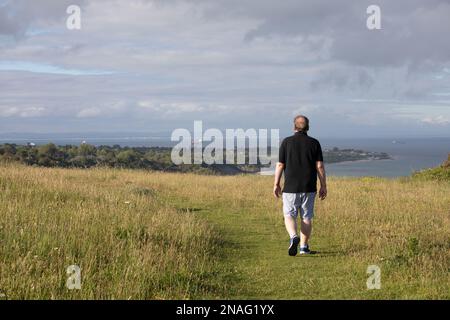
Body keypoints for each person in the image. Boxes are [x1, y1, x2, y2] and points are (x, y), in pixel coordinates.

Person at [273, 115, 327, 256]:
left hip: (290, 187)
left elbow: (280, 164)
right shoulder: (314, 143)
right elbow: (319, 166)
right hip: (309, 186)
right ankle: (303, 247)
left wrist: (276, 183)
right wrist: (323, 185)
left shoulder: (286, 142)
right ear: (308, 127)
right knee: (306, 217)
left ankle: (293, 236)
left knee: (289, 214)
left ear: (294, 126)